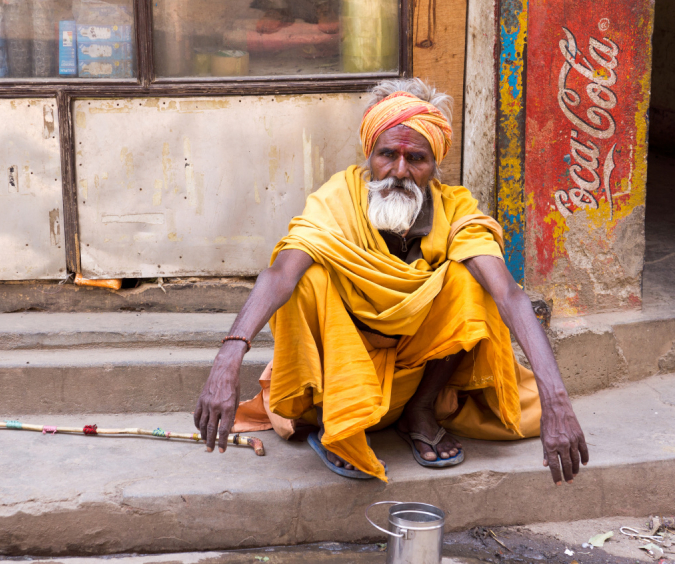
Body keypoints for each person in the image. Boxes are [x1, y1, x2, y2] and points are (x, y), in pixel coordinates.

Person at [194, 78, 588, 484]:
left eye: (416, 158)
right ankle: (339, 419)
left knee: (471, 281)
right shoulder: (339, 199)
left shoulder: (456, 211)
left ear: (435, 164)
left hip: (415, 370)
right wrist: (229, 357)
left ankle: (420, 410)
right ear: (369, 155)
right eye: (387, 155)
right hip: (344, 367)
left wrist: (555, 400)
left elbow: (508, 294)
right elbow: (279, 276)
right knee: (308, 279)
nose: (399, 171)